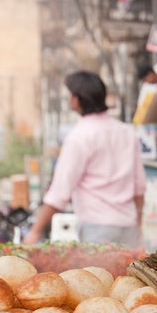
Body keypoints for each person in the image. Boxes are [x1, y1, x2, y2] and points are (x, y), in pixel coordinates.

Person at [25, 71, 146, 246]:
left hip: (97, 228)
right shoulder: (126, 132)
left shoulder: (79, 136)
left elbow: (60, 191)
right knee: (127, 274)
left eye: (70, 95)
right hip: (128, 227)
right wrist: (138, 225)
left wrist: (35, 231)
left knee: (100, 274)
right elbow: (139, 186)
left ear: (77, 99)